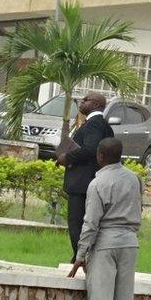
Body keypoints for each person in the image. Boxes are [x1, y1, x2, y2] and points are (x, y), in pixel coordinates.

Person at [69, 137, 143, 300]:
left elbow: (91, 223)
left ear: (100, 156)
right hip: (130, 243)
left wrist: (80, 255)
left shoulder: (97, 183)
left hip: (105, 244)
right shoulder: (135, 179)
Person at [57, 92, 114, 258]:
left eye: (85, 100)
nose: (81, 103)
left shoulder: (94, 124)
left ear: (96, 105)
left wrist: (66, 157)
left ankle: (80, 259)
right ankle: (81, 257)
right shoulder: (99, 124)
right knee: (85, 224)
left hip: (82, 183)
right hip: (90, 181)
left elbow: (90, 149)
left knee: (77, 224)